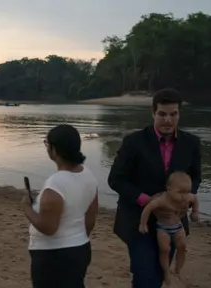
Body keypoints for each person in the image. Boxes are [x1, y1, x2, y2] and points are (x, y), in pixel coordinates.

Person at [108, 88, 201, 288]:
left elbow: (196, 177)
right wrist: (146, 200)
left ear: (179, 113)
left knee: (159, 275)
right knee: (144, 277)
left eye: (173, 114)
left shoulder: (192, 143)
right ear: (153, 113)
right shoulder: (133, 142)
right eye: (162, 114)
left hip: (172, 221)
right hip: (138, 220)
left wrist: (186, 199)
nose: (168, 120)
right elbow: (116, 179)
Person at [22, 124, 98, 288]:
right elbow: (91, 217)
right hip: (80, 248)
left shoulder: (55, 184)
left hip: (53, 255)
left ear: (54, 149)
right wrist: (77, 237)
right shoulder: (88, 175)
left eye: (47, 144)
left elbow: (48, 227)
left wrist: (27, 208)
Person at [139, 171, 199, 287]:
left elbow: (195, 199)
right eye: (180, 192)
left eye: (187, 192)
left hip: (178, 226)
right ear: (169, 189)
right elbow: (148, 208)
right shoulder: (162, 200)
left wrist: (195, 212)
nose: (184, 196)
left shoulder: (188, 198)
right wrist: (143, 224)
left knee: (182, 246)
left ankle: (178, 269)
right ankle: (166, 272)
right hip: (163, 228)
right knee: (165, 249)